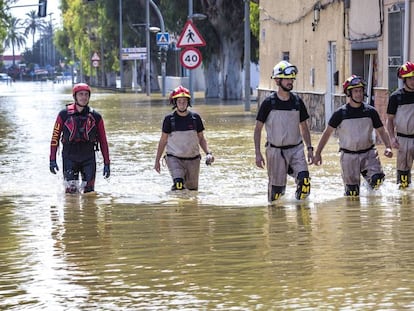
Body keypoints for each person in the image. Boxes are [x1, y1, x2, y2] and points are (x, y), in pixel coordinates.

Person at [313, 75, 393, 196]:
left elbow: (381, 130)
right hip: (348, 156)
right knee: (352, 194)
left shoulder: (370, 111)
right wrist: (318, 153)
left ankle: (372, 204)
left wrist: (388, 147)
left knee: (377, 180)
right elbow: (327, 133)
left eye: (360, 91)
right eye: (355, 91)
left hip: (369, 154)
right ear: (349, 93)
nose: (359, 94)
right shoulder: (340, 113)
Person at [254, 60, 314, 202]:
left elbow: (304, 128)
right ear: (277, 80)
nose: (290, 81)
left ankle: (302, 216)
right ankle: (277, 221)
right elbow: (257, 130)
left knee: (305, 182)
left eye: (292, 78)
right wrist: (258, 153)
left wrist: (310, 149)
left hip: (296, 150)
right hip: (275, 152)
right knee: (276, 195)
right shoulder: (268, 103)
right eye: (287, 78)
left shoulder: (297, 102)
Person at [49, 83, 110, 193]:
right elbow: (55, 138)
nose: (84, 97)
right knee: (71, 193)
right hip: (69, 157)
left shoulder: (96, 117)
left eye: (86, 94)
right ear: (75, 96)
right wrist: (52, 159)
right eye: (81, 94)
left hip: (88, 158)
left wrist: (107, 163)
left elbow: (103, 142)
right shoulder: (63, 115)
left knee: (89, 192)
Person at [154, 85, 214, 191]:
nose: (182, 104)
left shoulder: (195, 118)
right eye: (179, 101)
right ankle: (177, 198)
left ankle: (185, 206)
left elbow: (201, 138)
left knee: (192, 191)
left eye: (184, 101)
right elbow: (163, 141)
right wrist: (157, 160)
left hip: (193, 159)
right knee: (179, 184)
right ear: (175, 103)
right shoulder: (169, 120)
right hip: (174, 158)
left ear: (188, 102)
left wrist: (208, 153)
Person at [386, 61, 414, 189]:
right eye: (410, 78)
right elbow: (390, 120)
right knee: (403, 181)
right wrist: (392, 138)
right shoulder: (395, 97)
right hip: (403, 140)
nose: (413, 81)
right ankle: (404, 205)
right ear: (404, 79)